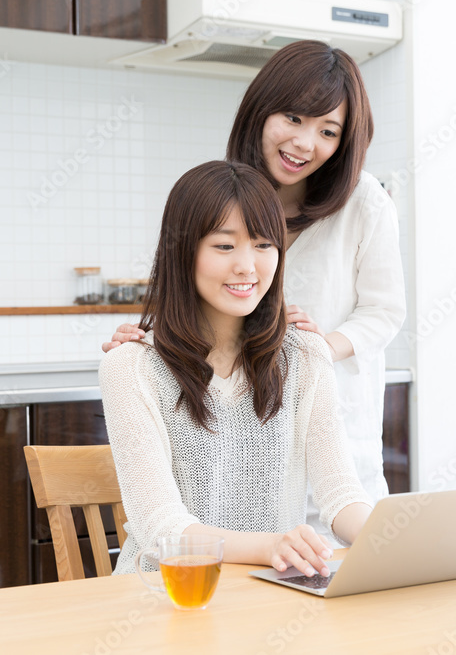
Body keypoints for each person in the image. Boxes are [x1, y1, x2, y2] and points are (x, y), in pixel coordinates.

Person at [103, 41, 406, 539]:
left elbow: (385, 311)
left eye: (328, 131)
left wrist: (309, 349)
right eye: (293, 118)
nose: (306, 143)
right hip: (215, 554)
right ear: (261, 111)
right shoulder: (228, 190)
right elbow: (164, 525)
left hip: (322, 427)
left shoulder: (363, 203)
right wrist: (156, 345)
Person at [100, 160, 372, 578]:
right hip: (167, 600)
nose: (248, 266)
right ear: (182, 252)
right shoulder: (131, 366)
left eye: (264, 245)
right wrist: (272, 547)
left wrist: (392, 537)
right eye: (225, 246)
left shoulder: (305, 356)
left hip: (271, 595)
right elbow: (162, 529)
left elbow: (339, 494)